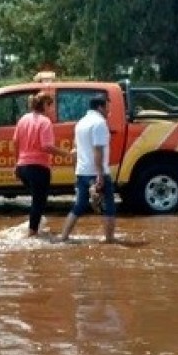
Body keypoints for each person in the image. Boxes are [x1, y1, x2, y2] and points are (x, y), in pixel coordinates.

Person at [13, 91, 73, 237]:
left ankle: (34, 227)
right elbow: (46, 146)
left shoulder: (23, 119)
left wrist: (16, 164)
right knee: (38, 202)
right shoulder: (45, 122)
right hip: (38, 168)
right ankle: (32, 233)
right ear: (45, 105)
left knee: (36, 200)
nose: (52, 109)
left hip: (22, 167)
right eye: (51, 106)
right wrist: (67, 154)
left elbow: (15, 141)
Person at [60, 94, 116, 243]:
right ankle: (110, 240)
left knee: (79, 206)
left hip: (82, 172)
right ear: (100, 107)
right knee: (109, 206)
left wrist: (76, 172)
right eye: (107, 107)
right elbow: (98, 150)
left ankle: (63, 237)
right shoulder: (99, 123)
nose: (109, 111)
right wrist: (100, 174)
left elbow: (76, 149)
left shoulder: (81, 123)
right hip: (96, 172)